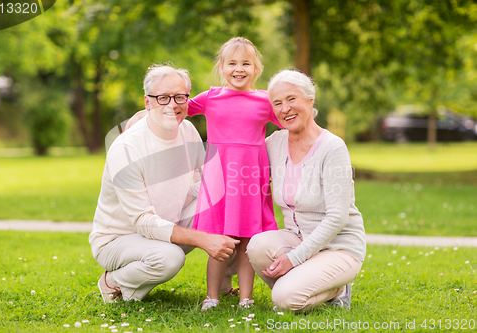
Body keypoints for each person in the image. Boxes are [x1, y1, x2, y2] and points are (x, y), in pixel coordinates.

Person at [89, 64, 239, 303]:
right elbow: (143, 221)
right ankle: (112, 282)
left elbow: (206, 183)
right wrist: (203, 239)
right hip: (118, 239)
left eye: (179, 97)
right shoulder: (126, 149)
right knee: (170, 258)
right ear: (147, 103)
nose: (172, 104)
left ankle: (222, 283)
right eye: (163, 98)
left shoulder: (187, 130)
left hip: (165, 224)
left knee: (223, 201)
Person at [246, 69, 366, 312]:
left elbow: (338, 217)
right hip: (297, 239)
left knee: (285, 299)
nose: (285, 108)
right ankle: (307, 282)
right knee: (257, 246)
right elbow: (239, 163)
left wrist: (294, 258)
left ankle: (338, 289)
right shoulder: (275, 143)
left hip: (338, 247)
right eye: (277, 103)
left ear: (310, 100)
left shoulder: (332, 148)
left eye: (292, 99)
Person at [187, 37, 281, 310]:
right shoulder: (211, 97)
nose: (239, 69)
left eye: (246, 63)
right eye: (232, 63)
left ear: (256, 69)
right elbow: (178, 108)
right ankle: (212, 296)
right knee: (219, 239)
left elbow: (290, 122)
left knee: (247, 242)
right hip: (219, 180)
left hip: (251, 179)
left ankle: (246, 299)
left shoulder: (265, 101)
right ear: (222, 67)